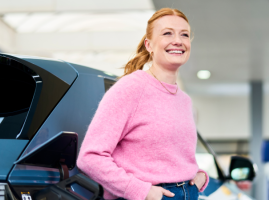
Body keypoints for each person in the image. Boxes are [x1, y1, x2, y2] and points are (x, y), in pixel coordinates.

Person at [77, 8, 209, 200]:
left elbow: (172, 158)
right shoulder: (131, 88)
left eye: (184, 35)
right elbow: (90, 157)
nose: (178, 41)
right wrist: (141, 191)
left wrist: (198, 176)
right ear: (149, 45)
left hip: (188, 193)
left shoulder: (185, 100)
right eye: (167, 33)